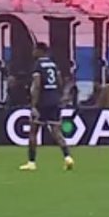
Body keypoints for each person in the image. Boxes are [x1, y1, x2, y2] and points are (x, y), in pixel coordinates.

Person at [20, 42, 72, 172]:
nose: (33, 52)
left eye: (34, 50)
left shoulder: (38, 65)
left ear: (40, 51)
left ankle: (31, 162)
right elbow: (60, 82)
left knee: (33, 131)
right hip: (54, 101)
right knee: (56, 131)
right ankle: (68, 157)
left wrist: (33, 105)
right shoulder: (53, 65)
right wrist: (57, 96)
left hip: (42, 102)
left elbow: (37, 86)